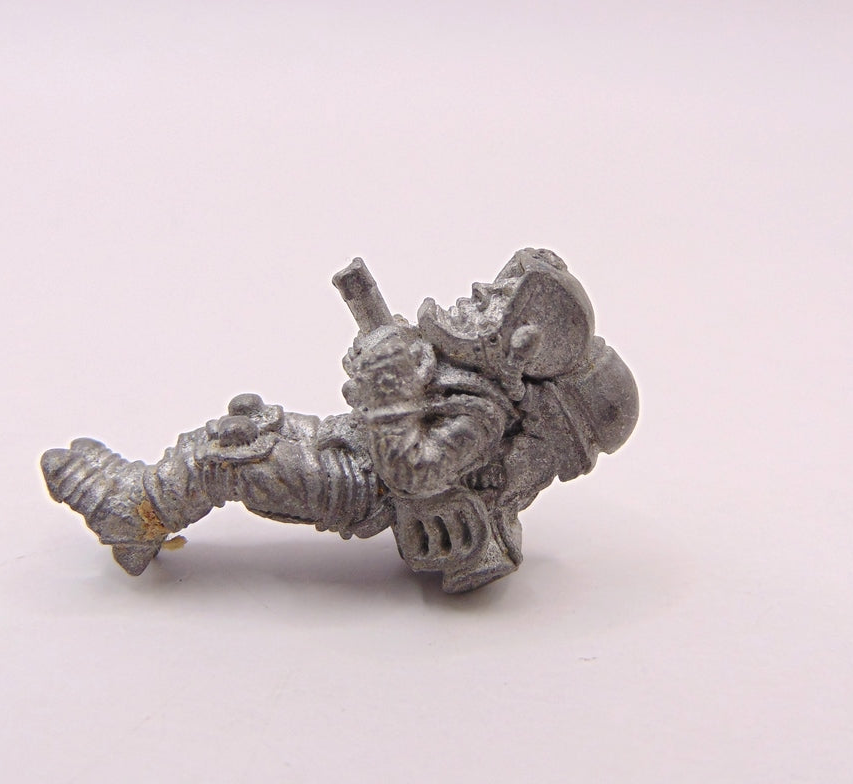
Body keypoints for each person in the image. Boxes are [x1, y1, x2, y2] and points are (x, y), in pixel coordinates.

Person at [41, 248, 638, 592]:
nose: (478, 291)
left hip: (355, 486)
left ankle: (130, 513)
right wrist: (391, 366)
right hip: (348, 446)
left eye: (495, 302)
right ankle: (143, 492)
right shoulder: (467, 382)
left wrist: (389, 384)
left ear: (519, 345)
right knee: (243, 430)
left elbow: (413, 472)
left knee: (237, 453)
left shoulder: (480, 414)